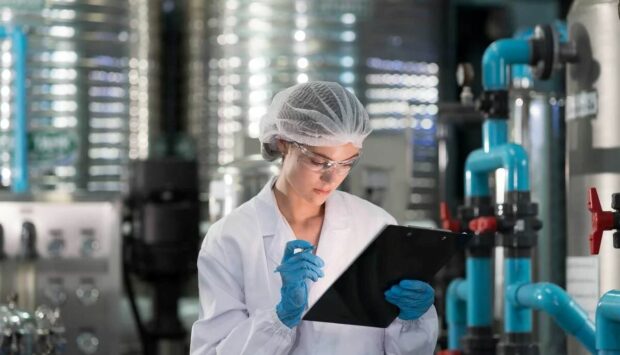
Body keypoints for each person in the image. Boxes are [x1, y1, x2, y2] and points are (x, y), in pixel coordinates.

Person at [190, 81, 438, 354]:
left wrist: (412, 320)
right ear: (284, 143)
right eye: (319, 162)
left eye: (346, 163)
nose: (332, 177)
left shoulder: (376, 225)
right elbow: (211, 351)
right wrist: (281, 317)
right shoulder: (230, 237)